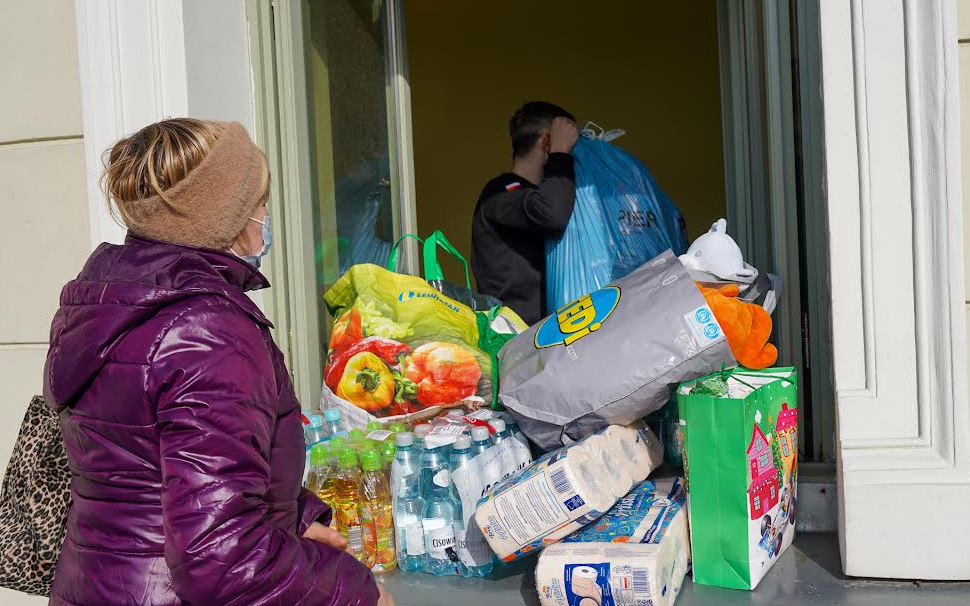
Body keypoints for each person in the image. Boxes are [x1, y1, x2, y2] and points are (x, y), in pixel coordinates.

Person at [43, 119, 393, 606]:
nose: (266, 216)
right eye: (260, 203)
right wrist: (354, 590)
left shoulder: (112, 304)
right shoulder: (206, 332)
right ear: (224, 217)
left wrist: (291, 517)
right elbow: (222, 559)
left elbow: (147, 473)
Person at [472, 101, 580, 324]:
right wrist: (561, 155)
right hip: (517, 334)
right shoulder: (500, 193)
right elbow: (551, 214)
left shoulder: (550, 195)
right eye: (571, 145)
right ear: (547, 143)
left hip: (553, 330)